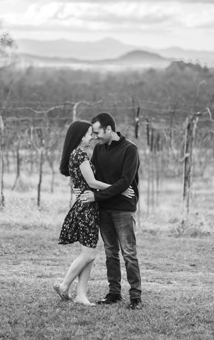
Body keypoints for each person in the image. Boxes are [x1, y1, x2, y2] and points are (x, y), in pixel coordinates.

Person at [54, 120, 134, 306]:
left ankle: (81, 295)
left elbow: (72, 181)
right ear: (81, 136)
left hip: (87, 205)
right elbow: (92, 182)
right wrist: (119, 189)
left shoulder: (76, 154)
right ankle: (65, 285)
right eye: (90, 134)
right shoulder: (80, 154)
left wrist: (77, 189)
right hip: (87, 207)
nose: (93, 137)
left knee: (88, 252)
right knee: (89, 255)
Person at [79, 112, 143, 310]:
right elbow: (97, 179)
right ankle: (114, 293)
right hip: (105, 209)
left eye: (97, 132)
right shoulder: (99, 149)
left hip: (123, 210)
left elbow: (125, 182)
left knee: (129, 253)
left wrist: (97, 196)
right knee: (110, 253)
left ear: (109, 129)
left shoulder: (130, 150)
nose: (95, 137)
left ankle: (135, 298)